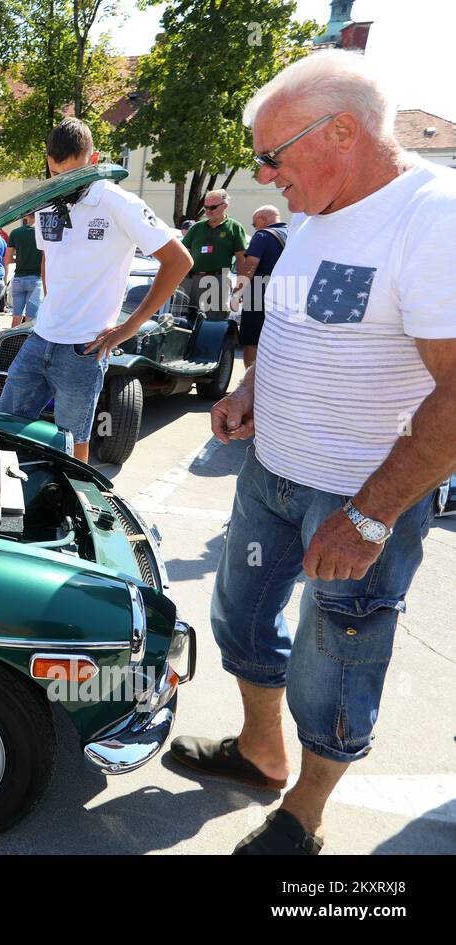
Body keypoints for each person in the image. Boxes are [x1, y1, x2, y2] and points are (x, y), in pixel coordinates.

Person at [167, 51, 456, 856]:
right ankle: (261, 754)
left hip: (359, 498)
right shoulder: (322, 211)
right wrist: (251, 396)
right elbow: (296, 329)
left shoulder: (434, 218)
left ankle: (307, 811)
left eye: (273, 154)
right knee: (243, 619)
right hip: (273, 474)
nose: (267, 175)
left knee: (338, 662)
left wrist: (368, 517)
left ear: (342, 131)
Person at [0, 118, 191, 464]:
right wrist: (52, 302)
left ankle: (72, 509)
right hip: (41, 335)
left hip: (84, 347)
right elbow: (48, 257)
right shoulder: (47, 201)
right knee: (4, 427)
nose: (65, 184)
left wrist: (129, 327)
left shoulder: (119, 204)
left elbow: (178, 261)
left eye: (74, 175)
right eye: (57, 174)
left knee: (73, 443)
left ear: (94, 159)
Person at [231, 204, 288, 366]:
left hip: (259, 295)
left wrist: (237, 293)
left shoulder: (262, 235)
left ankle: (250, 386)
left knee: (252, 341)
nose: (255, 228)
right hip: (289, 294)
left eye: (254, 224)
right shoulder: (294, 234)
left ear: (262, 219)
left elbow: (250, 265)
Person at [181, 190, 247, 318]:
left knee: (215, 322)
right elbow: (182, 254)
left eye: (213, 207)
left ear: (225, 206)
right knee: (185, 321)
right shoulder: (196, 227)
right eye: (206, 207)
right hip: (191, 280)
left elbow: (241, 259)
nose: (208, 211)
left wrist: (239, 288)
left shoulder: (234, 228)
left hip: (218, 280)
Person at [5, 212, 43, 326]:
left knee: (16, 315)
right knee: (30, 318)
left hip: (18, 279)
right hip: (36, 279)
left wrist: (18, 259)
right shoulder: (41, 233)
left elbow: (7, 259)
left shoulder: (15, 233)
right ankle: (26, 342)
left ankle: (12, 341)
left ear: (26, 216)